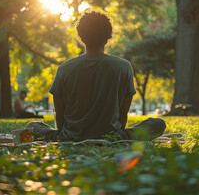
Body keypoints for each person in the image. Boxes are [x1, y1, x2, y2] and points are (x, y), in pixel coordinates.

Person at [25, 11, 166, 141]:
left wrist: (64, 135)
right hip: (112, 136)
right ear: (108, 36)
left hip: (71, 136)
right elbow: (123, 115)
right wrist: (117, 135)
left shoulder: (64, 69)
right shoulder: (124, 67)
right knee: (158, 123)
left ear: (81, 36)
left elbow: (60, 115)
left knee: (32, 125)